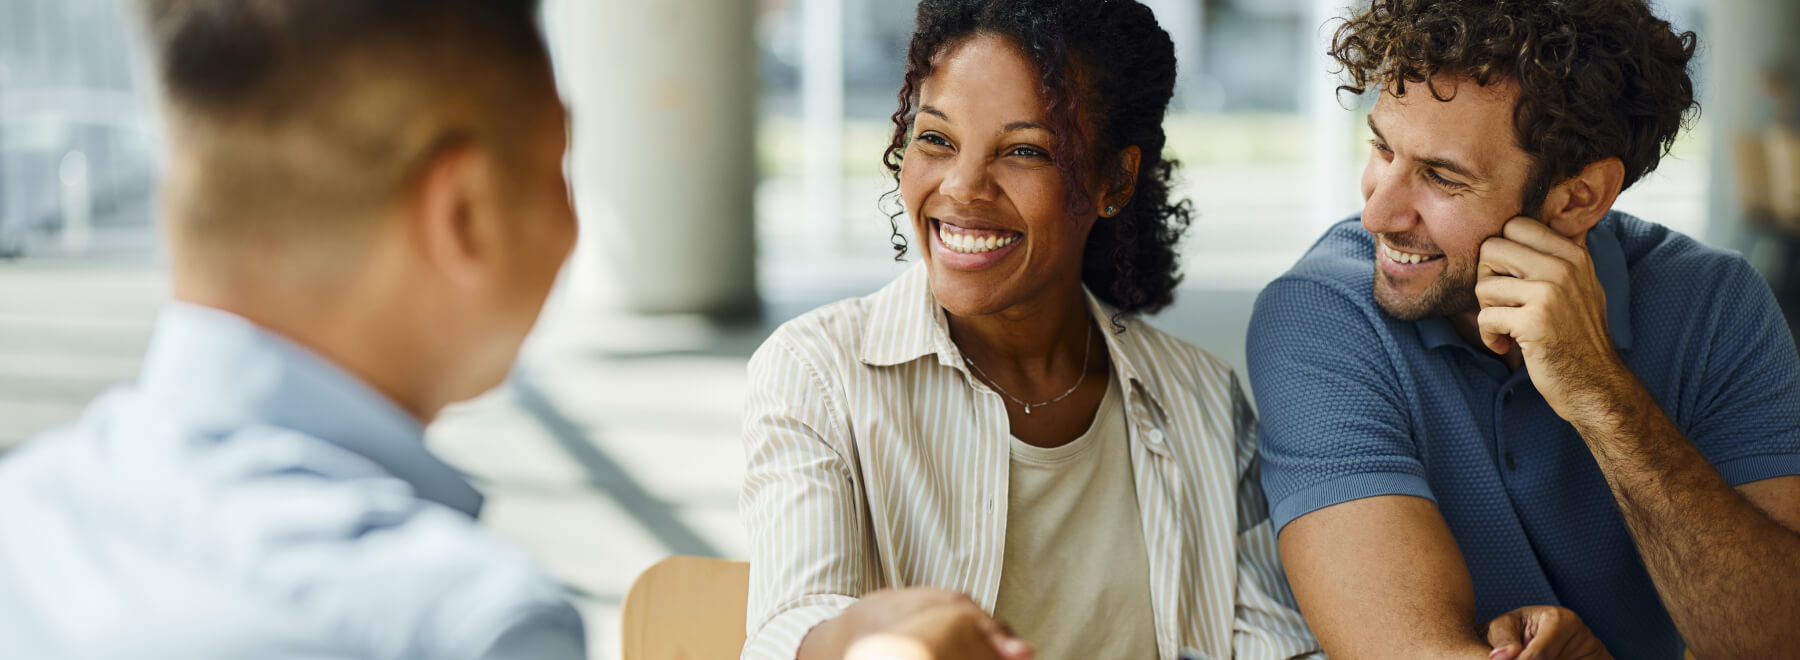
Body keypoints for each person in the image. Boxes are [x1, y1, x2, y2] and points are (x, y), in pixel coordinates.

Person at [0, 2, 584, 658]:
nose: (573, 224)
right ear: (463, 215)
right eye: (559, 168)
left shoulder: (21, 517)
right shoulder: (472, 628)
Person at [739, 1, 1320, 659]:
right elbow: (788, 628)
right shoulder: (818, 374)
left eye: (1024, 150)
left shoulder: (1205, 402)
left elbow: (1279, 646)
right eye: (936, 138)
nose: (962, 187)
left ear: (1115, 180)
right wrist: (874, 631)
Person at [1247, 1, 1800, 659]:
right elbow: (1401, 647)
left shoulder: (1714, 304)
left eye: (1441, 177)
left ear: (1578, 199)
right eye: (1382, 148)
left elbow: (1778, 639)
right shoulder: (1319, 314)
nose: (1377, 212)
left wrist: (1601, 395)